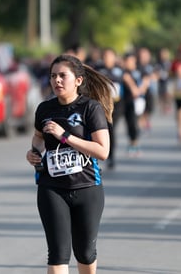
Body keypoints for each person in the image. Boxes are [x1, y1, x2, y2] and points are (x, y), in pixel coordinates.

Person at [26, 54, 113, 274]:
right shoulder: (44, 109)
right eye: (53, 76)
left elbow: (103, 151)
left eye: (62, 76)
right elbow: (38, 137)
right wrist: (34, 152)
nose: (57, 81)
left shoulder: (90, 109)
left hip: (87, 188)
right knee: (57, 254)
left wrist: (65, 137)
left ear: (78, 81)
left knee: (85, 253)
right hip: (52, 189)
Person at [96, 47, 124, 169]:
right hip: (102, 104)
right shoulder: (98, 69)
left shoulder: (120, 70)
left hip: (116, 104)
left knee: (110, 129)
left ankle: (111, 155)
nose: (107, 59)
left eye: (110, 56)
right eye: (105, 56)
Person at [122, 52, 149, 156]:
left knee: (136, 123)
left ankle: (135, 144)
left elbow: (146, 81)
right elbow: (128, 81)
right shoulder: (125, 72)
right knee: (130, 123)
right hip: (127, 101)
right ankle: (133, 143)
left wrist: (140, 90)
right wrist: (135, 90)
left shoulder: (141, 70)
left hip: (139, 101)